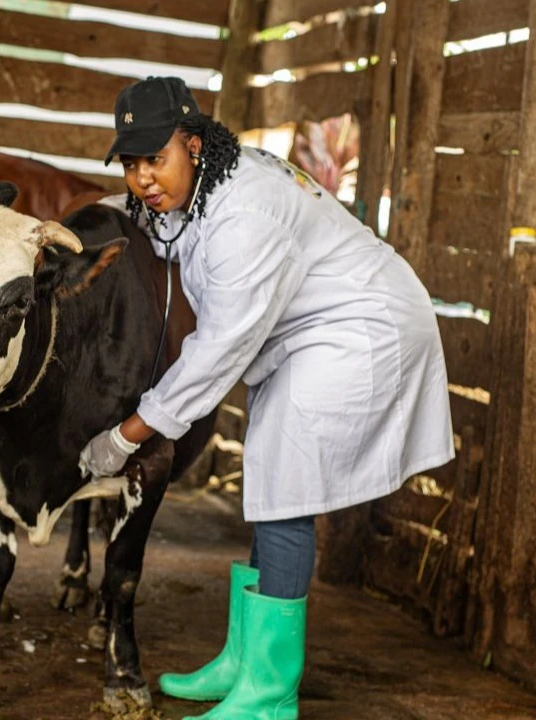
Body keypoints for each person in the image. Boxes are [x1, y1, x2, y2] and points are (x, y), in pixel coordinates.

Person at [79, 77, 455, 719]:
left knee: (287, 494)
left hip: (360, 331)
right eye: (132, 162)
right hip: (313, 331)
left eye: (156, 158)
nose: (143, 177)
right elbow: (136, 210)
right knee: (274, 486)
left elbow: (216, 350)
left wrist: (128, 435)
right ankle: (244, 662)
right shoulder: (200, 182)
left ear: (194, 145)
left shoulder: (243, 214)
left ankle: (269, 693)